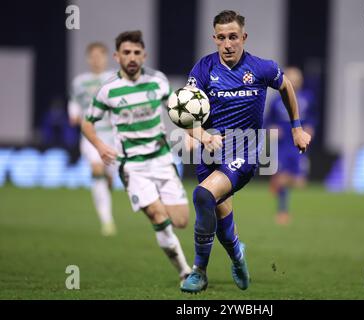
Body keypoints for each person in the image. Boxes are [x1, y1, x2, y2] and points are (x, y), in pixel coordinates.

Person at [180, 10, 311, 293]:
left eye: (233, 37)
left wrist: (296, 128)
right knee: (220, 216)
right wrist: (200, 135)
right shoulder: (203, 69)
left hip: (246, 151)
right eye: (222, 38)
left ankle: (199, 272)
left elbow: (286, 85)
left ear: (244, 37)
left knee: (202, 195)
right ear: (214, 38)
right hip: (210, 152)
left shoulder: (261, 68)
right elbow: (184, 113)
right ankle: (237, 256)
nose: (228, 44)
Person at [81, 31, 192, 283]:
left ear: (144, 55)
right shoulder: (108, 89)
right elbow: (88, 123)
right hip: (132, 165)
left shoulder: (158, 81)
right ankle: (186, 272)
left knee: (182, 221)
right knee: (157, 215)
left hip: (162, 159)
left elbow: (178, 112)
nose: (132, 57)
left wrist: (195, 133)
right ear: (117, 56)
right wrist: (99, 145)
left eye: (136, 53)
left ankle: (187, 243)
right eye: (127, 53)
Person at [68, 42, 117, 236]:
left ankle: (107, 184)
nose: (96, 60)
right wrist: (74, 115)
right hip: (90, 134)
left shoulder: (113, 78)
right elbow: (74, 103)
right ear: (88, 59)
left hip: (113, 135)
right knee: (97, 168)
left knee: (110, 177)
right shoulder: (80, 81)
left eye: (100, 56)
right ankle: (107, 221)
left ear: (106, 58)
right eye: (93, 56)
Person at [264, 66, 317, 225]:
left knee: (300, 182)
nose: (293, 83)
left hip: (298, 142)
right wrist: (272, 129)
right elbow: (267, 121)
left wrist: (310, 128)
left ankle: (278, 182)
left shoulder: (307, 98)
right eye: (290, 80)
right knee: (282, 176)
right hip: (282, 144)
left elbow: (313, 118)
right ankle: (283, 212)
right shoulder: (276, 100)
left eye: (296, 80)